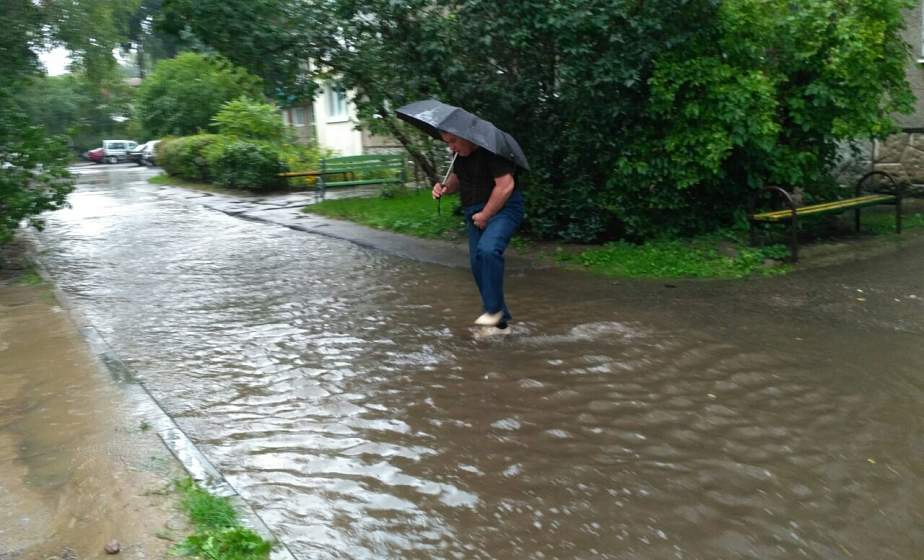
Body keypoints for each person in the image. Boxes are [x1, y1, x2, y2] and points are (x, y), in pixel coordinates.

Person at [432, 131, 524, 328]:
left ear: (468, 136)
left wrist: (486, 214)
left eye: (453, 141)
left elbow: (505, 186)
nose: (451, 147)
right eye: (447, 143)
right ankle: (500, 321)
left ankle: (493, 311)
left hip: (502, 210)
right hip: (475, 214)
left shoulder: (492, 152)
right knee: (478, 264)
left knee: (489, 251)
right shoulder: (460, 155)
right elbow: (457, 178)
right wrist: (445, 188)